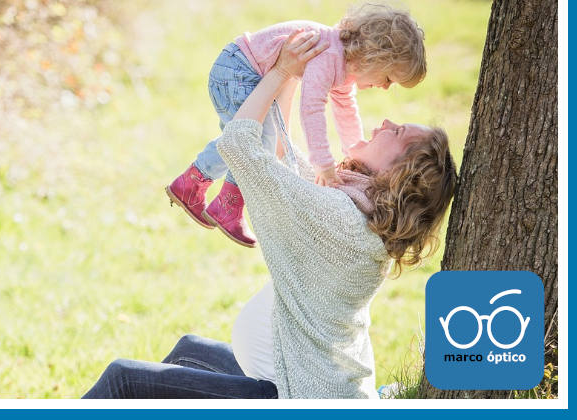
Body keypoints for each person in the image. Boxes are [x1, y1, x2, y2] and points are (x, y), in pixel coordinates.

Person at [84, 31, 455, 399]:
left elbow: (239, 145)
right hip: (287, 377)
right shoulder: (356, 207)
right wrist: (295, 72)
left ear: (399, 174)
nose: (385, 123)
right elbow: (281, 154)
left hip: (295, 399)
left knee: (124, 380)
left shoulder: (341, 220)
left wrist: (279, 72)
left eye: (397, 132)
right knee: (189, 351)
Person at [166, 3, 426, 248]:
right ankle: (227, 204)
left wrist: (353, 153)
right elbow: (311, 108)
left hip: (241, 70)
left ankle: (192, 184)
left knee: (250, 138)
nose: (385, 87)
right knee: (252, 139)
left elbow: (346, 111)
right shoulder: (330, 55)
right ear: (374, 57)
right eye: (388, 78)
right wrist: (323, 163)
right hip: (238, 71)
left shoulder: (344, 64)